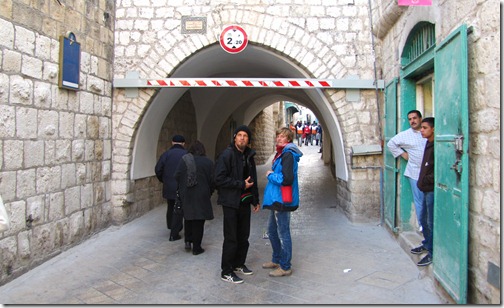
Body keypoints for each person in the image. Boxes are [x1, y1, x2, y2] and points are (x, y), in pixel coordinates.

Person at [214, 125, 260, 284]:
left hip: (244, 202)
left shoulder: (249, 155)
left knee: (243, 236)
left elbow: (252, 178)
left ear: (248, 140)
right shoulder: (226, 155)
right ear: (234, 138)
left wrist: (255, 199)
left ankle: (238, 264)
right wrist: (240, 184)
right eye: (239, 135)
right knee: (231, 237)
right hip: (230, 202)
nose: (242, 138)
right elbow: (219, 179)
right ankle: (226, 271)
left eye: (245, 136)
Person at [262, 127, 303, 277]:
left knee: (283, 232)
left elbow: (287, 179)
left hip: (282, 201)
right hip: (276, 199)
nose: (278, 139)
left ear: (288, 139)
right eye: (278, 136)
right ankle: (277, 259)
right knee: (272, 231)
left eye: (282, 137)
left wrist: (270, 175)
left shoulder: (287, 155)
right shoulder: (281, 153)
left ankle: (285, 266)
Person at [386, 110, 426, 231]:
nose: (412, 121)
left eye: (414, 118)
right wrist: (403, 154)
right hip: (415, 172)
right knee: (419, 200)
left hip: (429, 172)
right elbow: (391, 143)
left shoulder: (426, 132)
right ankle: (422, 225)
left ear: (420, 118)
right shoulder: (405, 134)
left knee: (429, 199)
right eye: (410, 119)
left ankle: (430, 224)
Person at [174, 140, 215, 255]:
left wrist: (183, 185)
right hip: (202, 193)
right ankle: (197, 247)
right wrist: (209, 191)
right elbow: (213, 180)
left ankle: (188, 240)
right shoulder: (208, 162)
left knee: (188, 217)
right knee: (199, 220)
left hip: (186, 193)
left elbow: (177, 175)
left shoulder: (184, 160)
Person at [412, 117, 435, 266]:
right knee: (424, 218)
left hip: (431, 189)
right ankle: (427, 243)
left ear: (433, 129)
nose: (421, 130)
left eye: (424, 128)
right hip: (425, 188)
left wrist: (426, 180)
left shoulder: (436, 147)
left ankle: (432, 252)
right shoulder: (428, 144)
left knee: (430, 221)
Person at [155, 134, 187, 241]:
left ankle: (171, 225)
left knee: (171, 206)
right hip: (182, 186)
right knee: (180, 208)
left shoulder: (166, 154)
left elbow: (158, 169)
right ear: (183, 143)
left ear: (172, 142)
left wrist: (164, 180)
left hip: (169, 186)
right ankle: (175, 230)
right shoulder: (186, 154)